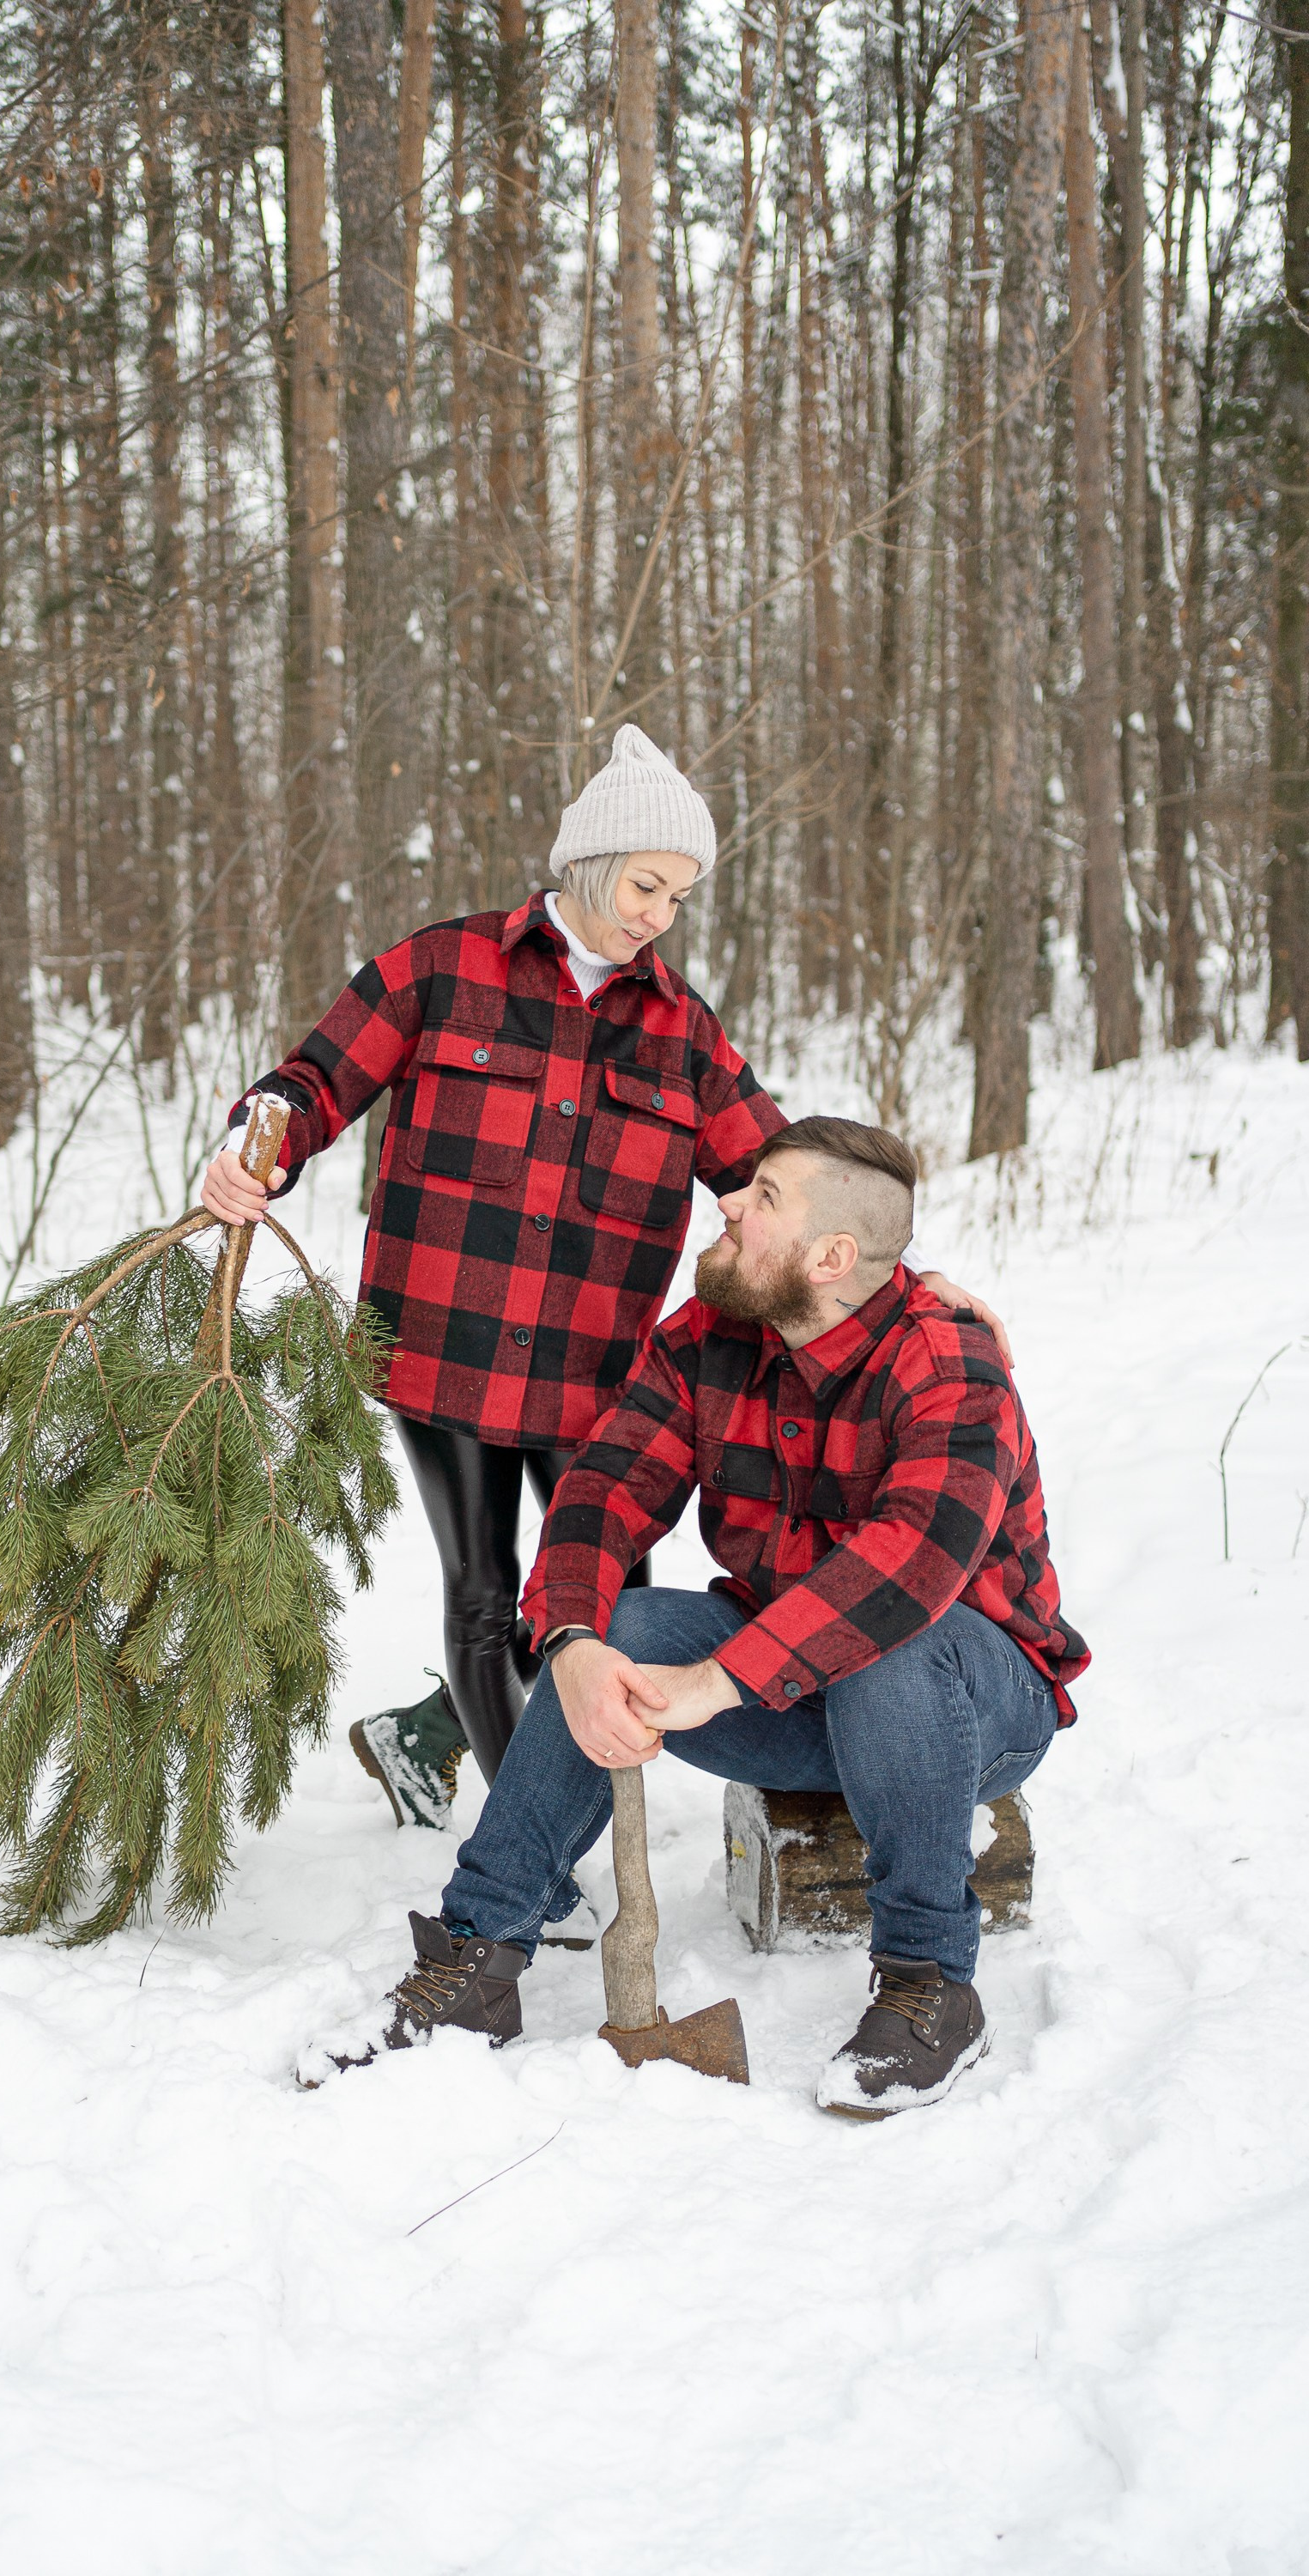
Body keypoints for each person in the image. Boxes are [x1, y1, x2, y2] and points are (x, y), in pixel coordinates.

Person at [203, 731, 1007, 1936]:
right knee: (487, 1596)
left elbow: (794, 1186)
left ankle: (424, 1737)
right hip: (444, 1350)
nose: (658, 917)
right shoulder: (443, 968)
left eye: (679, 899)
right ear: (585, 863)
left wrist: (913, 1277)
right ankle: (545, 1869)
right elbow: (310, 1081)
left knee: (598, 1604)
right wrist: (251, 1145)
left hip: (593, 1376)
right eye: (645, 887)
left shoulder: (680, 1030)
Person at [309, 1116, 1088, 2120]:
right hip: (793, 1698)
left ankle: (928, 1983)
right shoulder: (711, 1337)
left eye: (761, 1197)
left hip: (975, 1707)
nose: (725, 1201)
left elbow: (908, 1566)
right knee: (623, 1624)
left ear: (830, 1257)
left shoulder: (949, 1366)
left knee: (893, 1640)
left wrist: (716, 1681)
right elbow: (602, 1488)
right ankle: (476, 1959)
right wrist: (575, 1641)